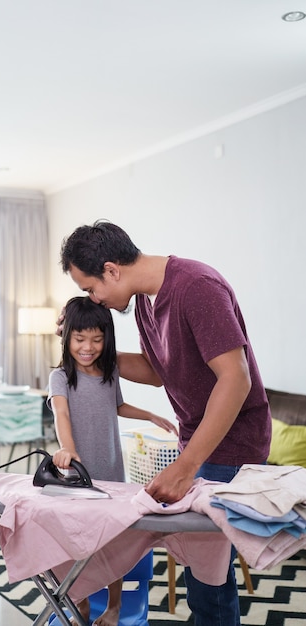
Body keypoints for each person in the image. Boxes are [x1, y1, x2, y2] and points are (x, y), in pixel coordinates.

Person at [57, 219, 272, 626]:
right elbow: (158, 371)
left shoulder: (196, 287)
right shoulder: (144, 303)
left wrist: (185, 466)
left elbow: (236, 378)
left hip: (233, 443)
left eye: (91, 288)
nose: (95, 299)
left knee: (209, 578)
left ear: (111, 270)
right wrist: (86, 353)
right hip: (198, 439)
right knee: (201, 569)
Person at [48, 295, 177, 626]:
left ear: (107, 339)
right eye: (80, 339)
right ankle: (84, 606)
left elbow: (116, 405)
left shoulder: (109, 372)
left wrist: (149, 414)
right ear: (67, 337)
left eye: (96, 338)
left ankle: (115, 607)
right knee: (79, 544)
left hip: (112, 472)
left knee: (112, 544)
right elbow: (61, 413)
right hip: (77, 475)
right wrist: (68, 449)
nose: (88, 347)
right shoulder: (60, 377)